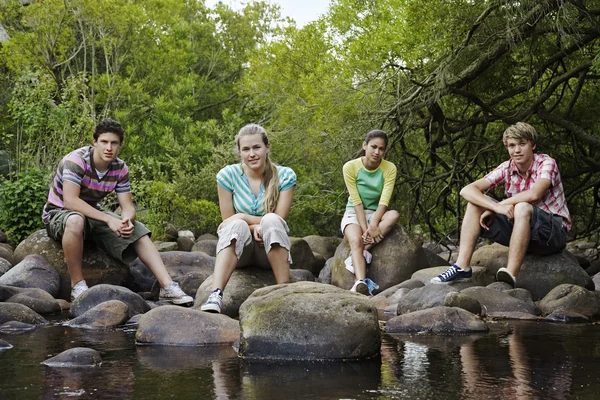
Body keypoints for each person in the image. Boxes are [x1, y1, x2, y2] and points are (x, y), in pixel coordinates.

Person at [42, 118, 193, 304]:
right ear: (94, 142)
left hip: (92, 213)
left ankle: (168, 287)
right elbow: (71, 201)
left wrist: (126, 219)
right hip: (59, 213)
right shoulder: (76, 161)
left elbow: (127, 206)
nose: (109, 148)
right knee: (75, 220)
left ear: (120, 145)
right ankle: (77, 286)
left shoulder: (120, 168)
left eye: (114, 143)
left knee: (139, 230)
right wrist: (108, 219)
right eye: (104, 142)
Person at [431, 122, 571, 287]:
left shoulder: (546, 163)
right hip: (522, 232)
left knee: (522, 206)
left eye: (522, 144)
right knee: (475, 203)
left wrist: (500, 205)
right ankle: (461, 266)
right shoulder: (506, 167)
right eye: (512, 145)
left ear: (532, 145)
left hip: (552, 234)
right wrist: (496, 208)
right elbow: (467, 190)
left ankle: (510, 275)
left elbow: (534, 194)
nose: (516, 150)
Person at [200, 124, 296, 313]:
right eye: (246, 149)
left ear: (267, 147)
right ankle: (215, 295)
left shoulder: (285, 175)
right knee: (237, 225)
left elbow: (279, 219)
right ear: (240, 152)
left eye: (256, 147)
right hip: (241, 250)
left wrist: (244, 216)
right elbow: (228, 222)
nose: (252, 154)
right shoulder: (228, 175)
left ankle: (285, 292)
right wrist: (252, 228)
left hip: (269, 250)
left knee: (271, 220)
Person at [341, 130, 400, 295]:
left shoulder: (389, 168)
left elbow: (384, 200)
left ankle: (360, 252)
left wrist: (374, 224)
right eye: (373, 147)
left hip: (377, 213)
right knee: (355, 241)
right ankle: (360, 282)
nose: (377, 152)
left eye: (381, 149)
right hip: (354, 212)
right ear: (364, 145)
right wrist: (366, 228)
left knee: (394, 215)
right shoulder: (350, 167)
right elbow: (357, 201)